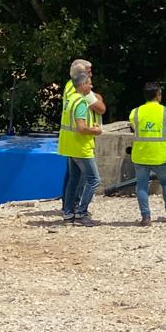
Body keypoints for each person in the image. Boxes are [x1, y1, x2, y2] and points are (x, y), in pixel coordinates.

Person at [58, 72, 103, 226]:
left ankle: (68, 214)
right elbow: (81, 128)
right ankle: (81, 213)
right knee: (94, 180)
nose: (91, 86)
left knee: (73, 180)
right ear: (82, 85)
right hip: (81, 147)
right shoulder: (82, 103)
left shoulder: (70, 100)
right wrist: (95, 130)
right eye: (89, 83)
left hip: (69, 145)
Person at [129, 82, 166, 226]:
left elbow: (133, 128)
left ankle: (146, 217)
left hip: (141, 154)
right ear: (158, 95)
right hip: (160, 154)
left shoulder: (135, 112)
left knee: (142, 186)